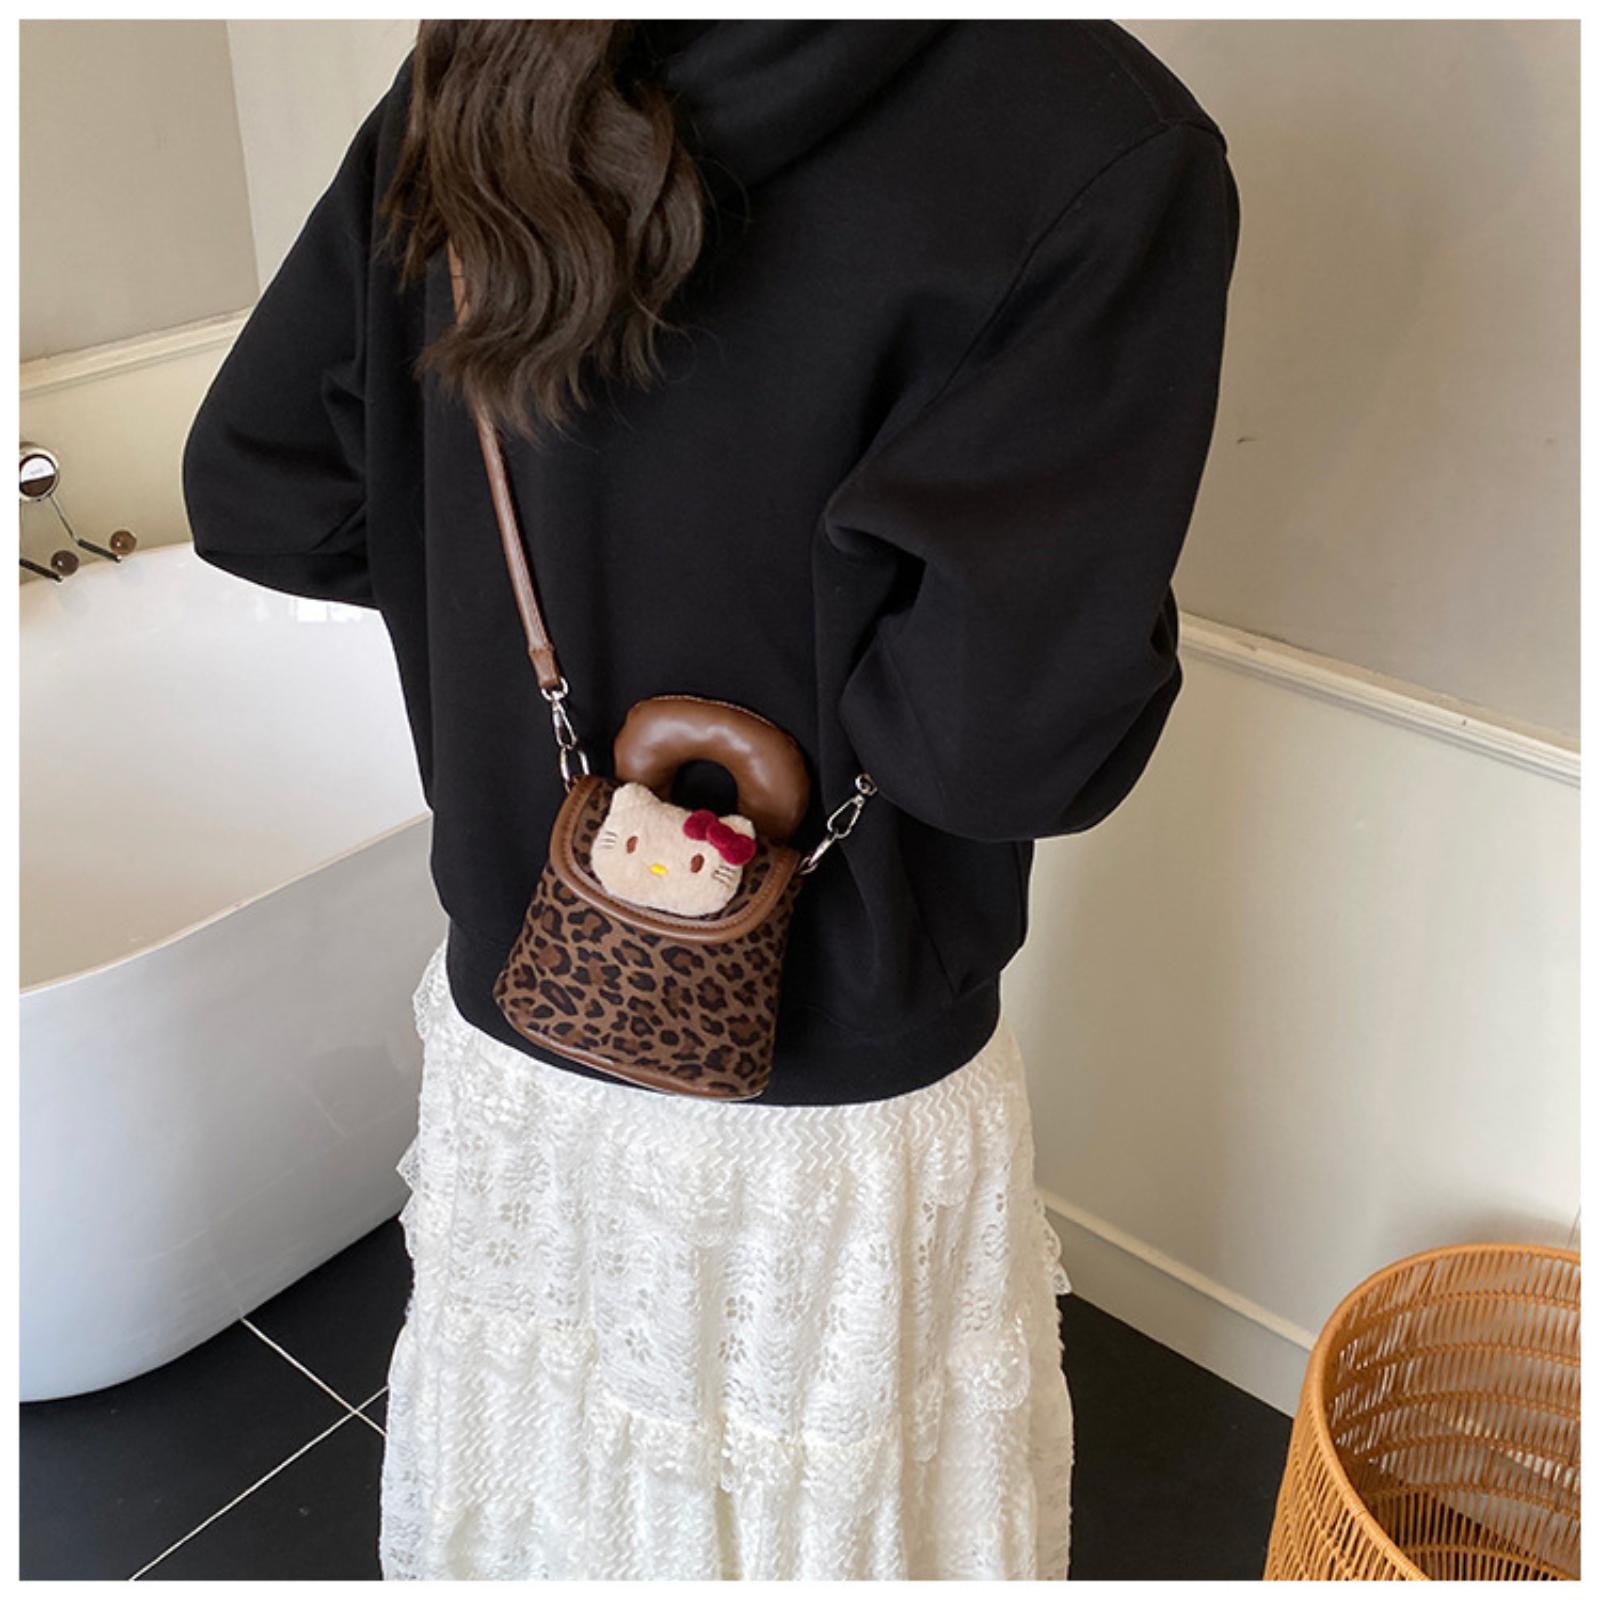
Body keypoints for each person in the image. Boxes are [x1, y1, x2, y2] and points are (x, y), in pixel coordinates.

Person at [182, 19, 1240, 1581]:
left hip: (526, 1005)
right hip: (833, 1098)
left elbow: (263, 484)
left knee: (544, 1496)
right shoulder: (1102, 139)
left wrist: (491, 645)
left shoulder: (482, 67)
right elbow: (990, 749)